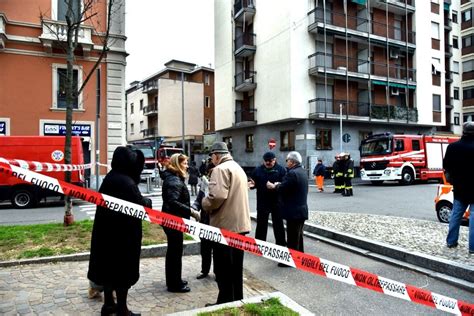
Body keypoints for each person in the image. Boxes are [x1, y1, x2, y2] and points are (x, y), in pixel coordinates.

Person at [88, 146, 152, 316]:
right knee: (123, 273)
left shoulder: (110, 177)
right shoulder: (127, 182)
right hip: (124, 237)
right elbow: (139, 205)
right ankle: (122, 310)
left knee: (108, 272)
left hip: (106, 234)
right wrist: (147, 201)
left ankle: (109, 304)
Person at [202, 142, 251, 305]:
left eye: (212, 157)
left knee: (222, 269)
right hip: (240, 226)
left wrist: (204, 203)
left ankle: (224, 301)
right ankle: (236, 299)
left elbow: (216, 197)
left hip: (225, 226)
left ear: (216, 155)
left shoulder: (220, 169)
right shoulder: (237, 167)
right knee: (236, 268)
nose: (211, 160)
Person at [161, 153, 201, 293]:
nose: (187, 166)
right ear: (178, 165)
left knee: (174, 251)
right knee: (175, 253)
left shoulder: (174, 178)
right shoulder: (174, 180)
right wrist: (191, 211)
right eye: (184, 163)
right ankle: (174, 283)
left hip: (172, 220)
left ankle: (175, 279)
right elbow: (173, 201)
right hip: (173, 221)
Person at [267, 151, 308, 257]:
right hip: (301, 209)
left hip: (293, 211)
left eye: (287, 160)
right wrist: (280, 184)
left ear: (292, 162)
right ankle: (300, 255)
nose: (286, 162)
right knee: (299, 235)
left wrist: (274, 186)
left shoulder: (292, 173)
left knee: (292, 236)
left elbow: (284, 188)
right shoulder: (302, 171)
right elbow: (292, 186)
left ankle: (291, 260)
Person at [443, 121, 474, 254]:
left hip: (460, 188)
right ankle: (473, 247)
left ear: (463, 132)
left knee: (455, 215)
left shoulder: (452, 147)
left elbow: (446, 167)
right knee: (473, 218)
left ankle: (451, 241)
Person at [248, 151, 286, 248]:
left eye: (270, 161)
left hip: (277, 202)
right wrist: (251, 185)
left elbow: (285, 185)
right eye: (266, 161)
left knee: (278, 225)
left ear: (275, 160)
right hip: (262, 201)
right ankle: (259, 245)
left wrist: (276, 186)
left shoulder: (281, 170)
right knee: (261, 224)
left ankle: (280, 245)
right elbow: (253, 182)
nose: (268, 163)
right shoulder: (258, 170)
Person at [191, 160, 215, 279]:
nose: (211, 176)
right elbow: (198, 200)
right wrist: (194, 208)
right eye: (210, 174)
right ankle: (204, 270)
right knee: (205, 249)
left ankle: (218, 272)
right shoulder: (204, 185)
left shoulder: (221, 186)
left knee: (217, 250)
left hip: (217, 222)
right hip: (204, 221)